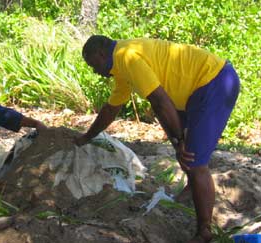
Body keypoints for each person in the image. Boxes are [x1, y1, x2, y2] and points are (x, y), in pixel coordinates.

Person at [75, 35, 240, 243]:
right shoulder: (120, 67)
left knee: (194, 162)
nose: (94, 70)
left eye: (93, 64)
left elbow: (160, 101)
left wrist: (180, 140)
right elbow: (111, 109)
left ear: (101, 54)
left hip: (213, 81)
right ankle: (192, 189)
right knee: (183, 150)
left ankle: (204, 231)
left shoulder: (127, 57)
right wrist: (86, 137)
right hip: (194, 90)